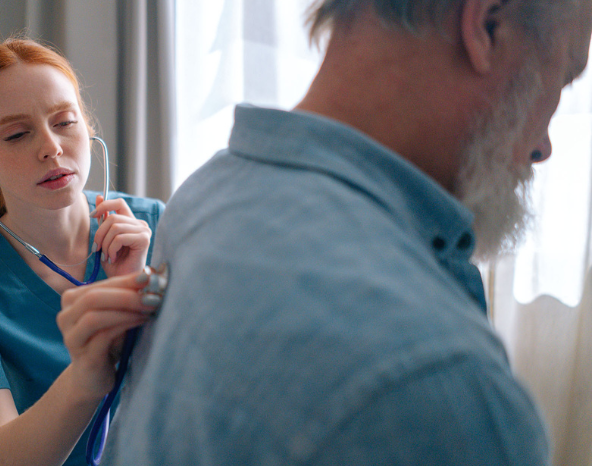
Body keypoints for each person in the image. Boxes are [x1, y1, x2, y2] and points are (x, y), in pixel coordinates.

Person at [58, 0, 592, 464]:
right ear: (488, 26)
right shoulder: (440, 383)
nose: (544, 145)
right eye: (563, 74)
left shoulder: (201, 198)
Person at [0, 38, 165, 466]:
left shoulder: (157, 226)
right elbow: (0, 457)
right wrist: (87, 376)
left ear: (87, 128)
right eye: (17, 134)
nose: (50, 147)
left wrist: (141, 289)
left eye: (65, 122)